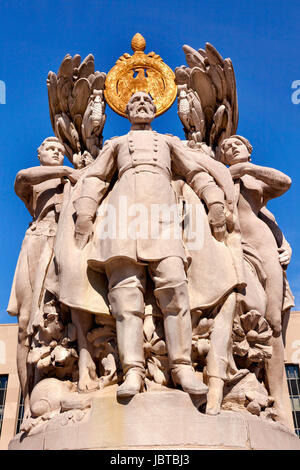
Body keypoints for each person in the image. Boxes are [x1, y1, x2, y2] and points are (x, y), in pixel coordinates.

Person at [73, 91, 235, 399]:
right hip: (121, 219)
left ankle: (181, 366)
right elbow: (94, 178)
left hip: (163, 216)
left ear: (157, 108)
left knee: (175, 287)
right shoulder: (116, 145)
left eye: (148, 101)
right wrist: (84, 211)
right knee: (125, 294)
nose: (142, 104)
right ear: (126, 110)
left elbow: (195, 171)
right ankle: (132, 369)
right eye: (135, 101)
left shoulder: (169, 142)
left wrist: (213, 199)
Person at [220, 135, 292, 424]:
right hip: (236, 251)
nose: (231, 148)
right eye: (225, 148)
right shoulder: (219, 177)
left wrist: (245, 169)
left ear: (249, 151)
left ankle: (279, 403)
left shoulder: (254, 181)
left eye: (237, 145)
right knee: (249, 312)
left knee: (273, 324)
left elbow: (284, 182)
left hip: (264, 252)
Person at [7, 137, 78, 417]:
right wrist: (65, 171)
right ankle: (27, 403)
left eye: (61, 151)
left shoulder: (72, 182)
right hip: (38, 242)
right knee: (25, 325)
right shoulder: (39, 180)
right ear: (39, 154)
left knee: (60, 321)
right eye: (51, 149)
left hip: (63, 248)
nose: (57, 153)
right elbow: (21, 177)